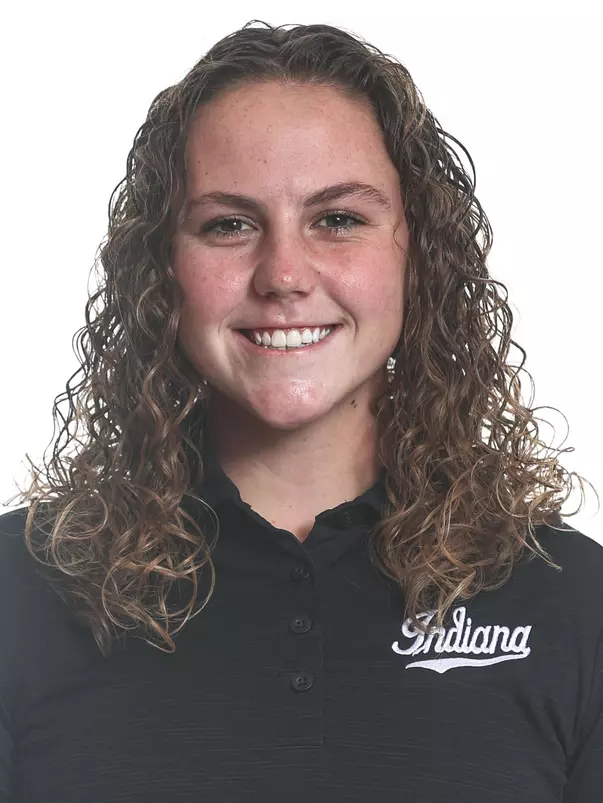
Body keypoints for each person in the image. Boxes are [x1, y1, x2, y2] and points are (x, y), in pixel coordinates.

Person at [0, 18, 600, 803]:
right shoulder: (18, 591)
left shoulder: (574, 601)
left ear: (417, 253)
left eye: (338, 218)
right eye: (229, 225)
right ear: (162, 268)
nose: (283, 273)